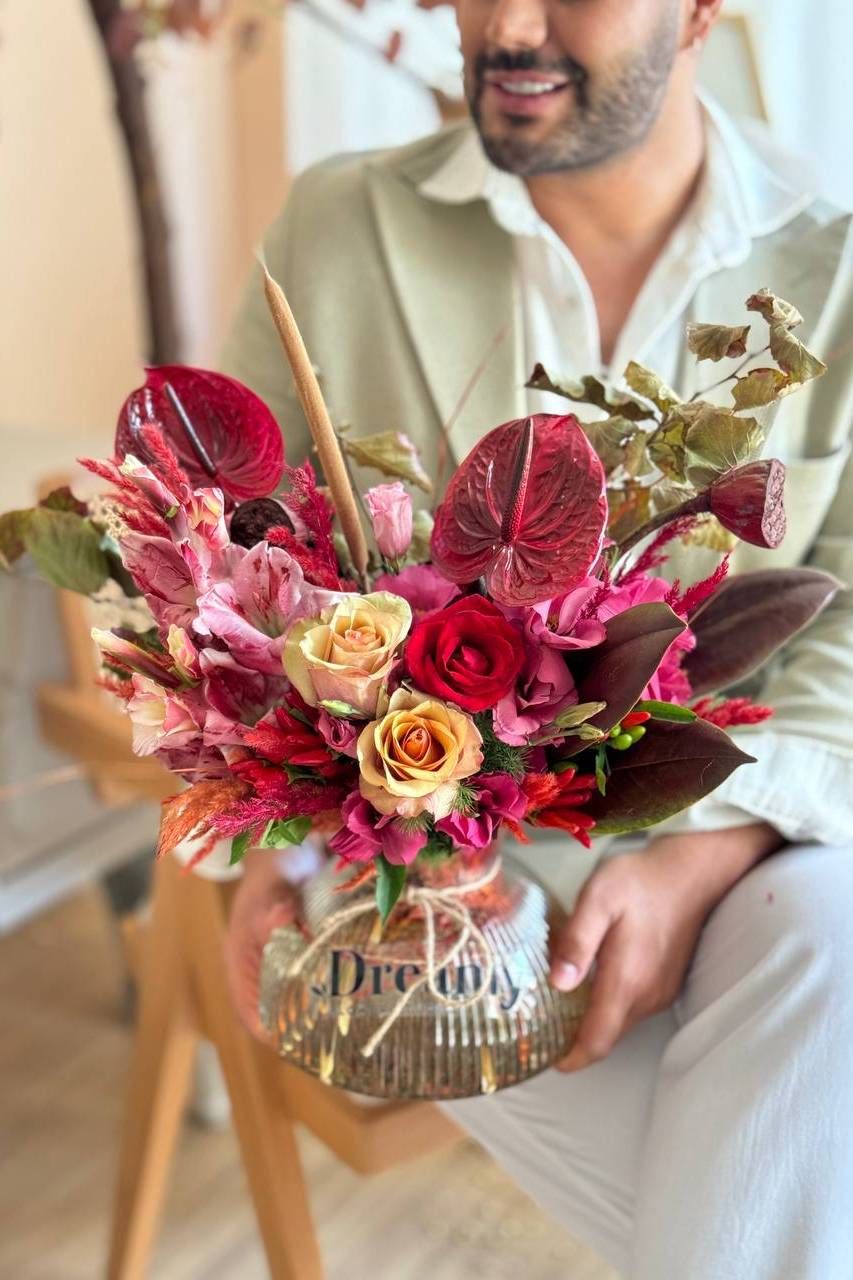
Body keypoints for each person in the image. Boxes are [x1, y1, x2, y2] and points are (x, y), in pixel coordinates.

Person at [218, 1, 853, 1275]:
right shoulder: (340, 225)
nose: (508, 25)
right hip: (428, 873)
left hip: (747, 835)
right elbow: (229, 566)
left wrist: (706, 853)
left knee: (828, 928)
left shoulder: (830, 272)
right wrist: (273, 839)